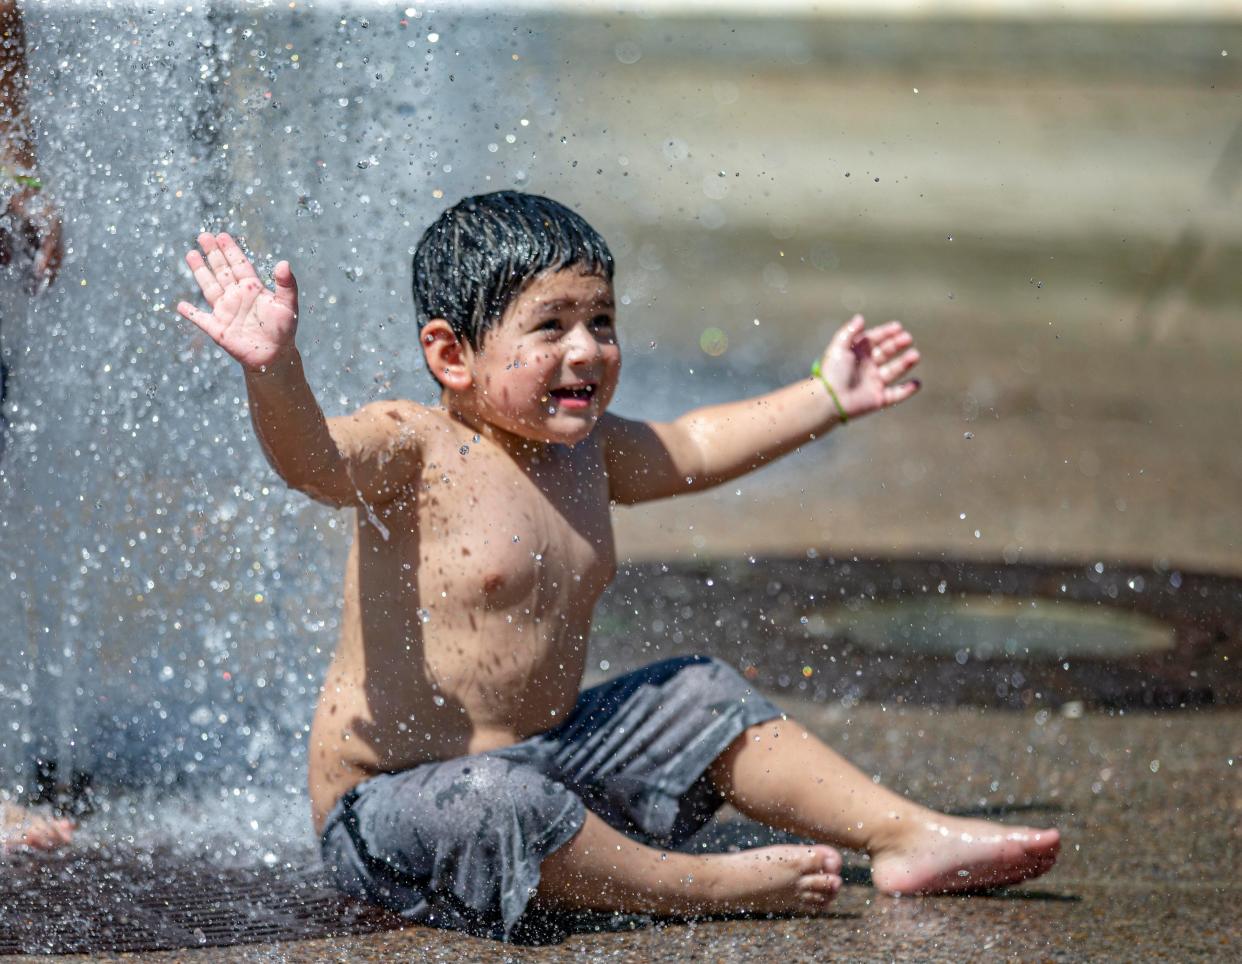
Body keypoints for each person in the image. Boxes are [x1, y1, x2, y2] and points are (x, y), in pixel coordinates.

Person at [176, 192, 1060, 940]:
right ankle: (694, 886)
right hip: (398, 813)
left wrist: (827, 397)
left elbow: (697, 443)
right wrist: (274, 370)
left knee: (701, 692)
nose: (587, 350)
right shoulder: (417, 448)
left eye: (601, 321)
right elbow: (315, 461)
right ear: (451, 354)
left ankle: (907, 835)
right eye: (551, 325)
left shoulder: (588, 455)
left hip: (549, 761)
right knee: (499, 799)